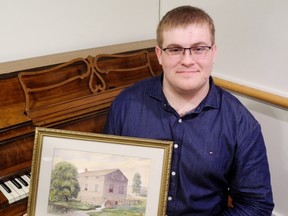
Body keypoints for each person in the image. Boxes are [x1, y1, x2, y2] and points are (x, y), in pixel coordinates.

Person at [104, 5, 274, 215]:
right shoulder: (125, 105)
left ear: (213, 52)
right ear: (159, 54)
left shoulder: (241, 124)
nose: (187, 60)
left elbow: (256, 206)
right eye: (175, 49)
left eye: (199, 48)